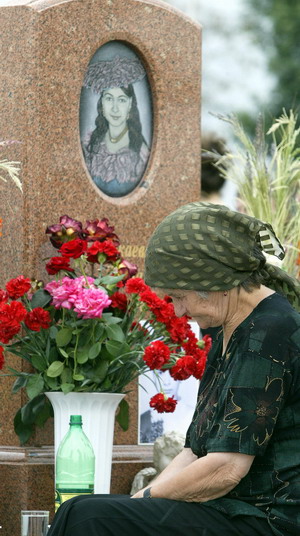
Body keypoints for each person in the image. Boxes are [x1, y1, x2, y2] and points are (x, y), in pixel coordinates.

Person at [47, 202, 300, 536]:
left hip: (266, 520)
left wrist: (146, 500)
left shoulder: (270, 331)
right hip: (232, 511)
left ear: (217, 280)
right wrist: (137, 502)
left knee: (88, 517)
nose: (179, 311)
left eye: (180, 296)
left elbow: (225, 469)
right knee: (83, 510)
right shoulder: (231, 329)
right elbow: (194, 451)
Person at [81, 55, 150, 197]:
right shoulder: (89, 144)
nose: (115, 108)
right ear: (101, 105)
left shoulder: (141, 152)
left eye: (122, 100)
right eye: (109, 99)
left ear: (130, 104)